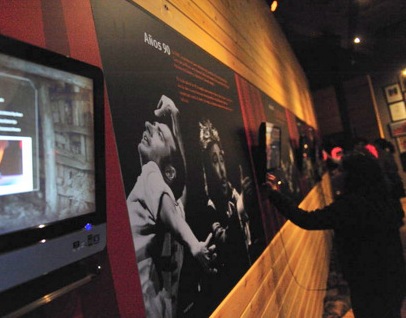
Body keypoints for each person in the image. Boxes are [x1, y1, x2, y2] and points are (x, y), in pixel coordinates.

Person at [263, 151, 406, 318]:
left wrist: (274, 194)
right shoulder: (384, 197)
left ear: (353, 176)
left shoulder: (350, 206)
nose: (335, 174)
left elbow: (307, 220)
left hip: (368, 281)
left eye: (341, 170)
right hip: (393, 273)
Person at [127, 95, 216, 318]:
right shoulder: (159, 192)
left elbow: (173, 207)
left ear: (168, 172)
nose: (147, 125)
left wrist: (194, 245)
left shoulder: (150, 173)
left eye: (158, 133)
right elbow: (180, 189)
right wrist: (174, 118)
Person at [194, 119, 254, 311]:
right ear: (205, 170)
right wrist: (241, 208)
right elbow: (225, 242)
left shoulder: (232, 193)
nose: (221, 169)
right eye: (214, 162)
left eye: (221, 159)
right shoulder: (207, 208)